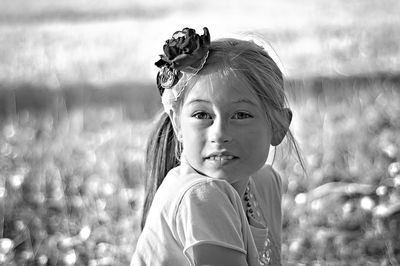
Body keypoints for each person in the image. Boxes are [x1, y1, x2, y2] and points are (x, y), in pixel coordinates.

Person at [131, 27, 303, 266]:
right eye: (202, 115)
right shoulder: (201, 196)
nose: (220, 134)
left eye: (241, 115)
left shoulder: (264, 183)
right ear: (177, 124)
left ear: (278, 126)